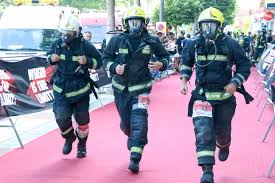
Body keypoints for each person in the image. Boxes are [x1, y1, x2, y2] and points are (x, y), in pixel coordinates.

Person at [180, 7, 251, 183]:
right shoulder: (193, 43)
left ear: (220, 26)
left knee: (222, 131)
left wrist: (235, 83)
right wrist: (184, 81)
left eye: (211, 25)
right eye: (205, 26)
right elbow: (186, 63)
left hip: (225, 100)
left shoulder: (231, 44)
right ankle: (207, 171)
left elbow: (244, 66)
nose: (208, 29)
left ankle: (224, 144)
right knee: (203, 132)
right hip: (202, 97)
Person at [102, 6, 169, 173]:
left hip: (141, 89)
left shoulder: (152, 41)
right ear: (126, 23)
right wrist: (114, 67)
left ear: (143, 23)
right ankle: (129, 133)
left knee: (140, 122)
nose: (135, 25)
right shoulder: (117, 40)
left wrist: (161, 64)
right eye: (131, 22)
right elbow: (105, 58)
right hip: (121, 90)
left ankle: (135, 158)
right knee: (127, 124)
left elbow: (165, 57)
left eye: (137, 22)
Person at [47, 14, 102, 158]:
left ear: (77, 32)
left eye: (69, 33)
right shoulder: (57, 44)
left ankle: (82, 145)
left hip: (80, 89)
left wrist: (88, 61)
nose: (66, 36)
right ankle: (69, 138)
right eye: (64, 33)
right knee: (61, 117)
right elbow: (48, 55)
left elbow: (99, 62)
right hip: (61, 88)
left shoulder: (85, 45)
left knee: (82, 120)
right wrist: (51, 58)